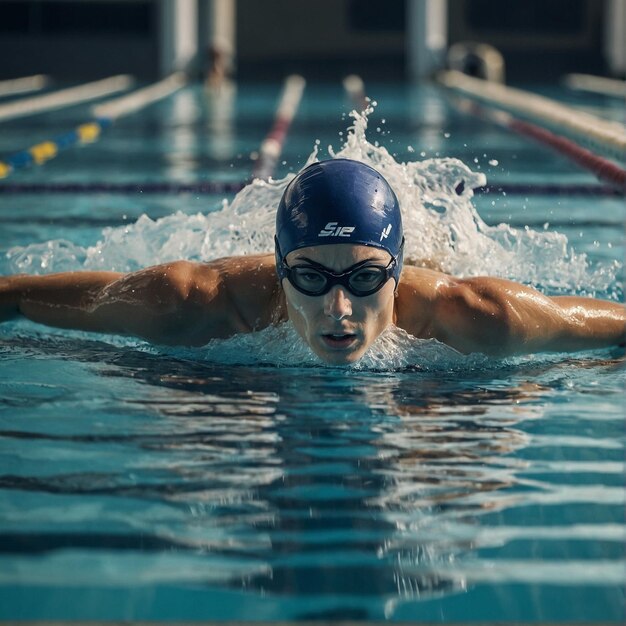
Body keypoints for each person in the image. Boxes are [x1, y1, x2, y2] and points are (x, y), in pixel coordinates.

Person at [1, 159, 624, 365]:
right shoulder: (191, 304)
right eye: (309, 277)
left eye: (364, 277)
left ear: (397, 272)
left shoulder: (477, 317)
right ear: (278, 269)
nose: (338, 308)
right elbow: (21, 295)